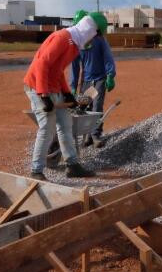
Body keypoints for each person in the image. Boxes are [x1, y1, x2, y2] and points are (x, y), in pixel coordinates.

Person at [24, 12, 108, 181]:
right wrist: (43, 94)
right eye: (96, 35)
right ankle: (36, 170)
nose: (94, 40)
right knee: (47, 127)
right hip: (37, 85)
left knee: (65, 124)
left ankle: (72, 165)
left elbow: (58, 70)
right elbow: (42, 64)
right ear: (90, 30)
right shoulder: (63, 38)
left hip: (52, 87)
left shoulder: (74, 44)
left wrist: (67, 94)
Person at [70, 9, 116, 148]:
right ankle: (87, 136)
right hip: (87, 81)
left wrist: (110, 75)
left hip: (100, 79)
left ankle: (96, 135)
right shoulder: (79, 44)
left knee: (96, 107)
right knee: (84, 108)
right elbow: (74, 66)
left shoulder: (100, 40)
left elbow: (108, 58)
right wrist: (73, 86)